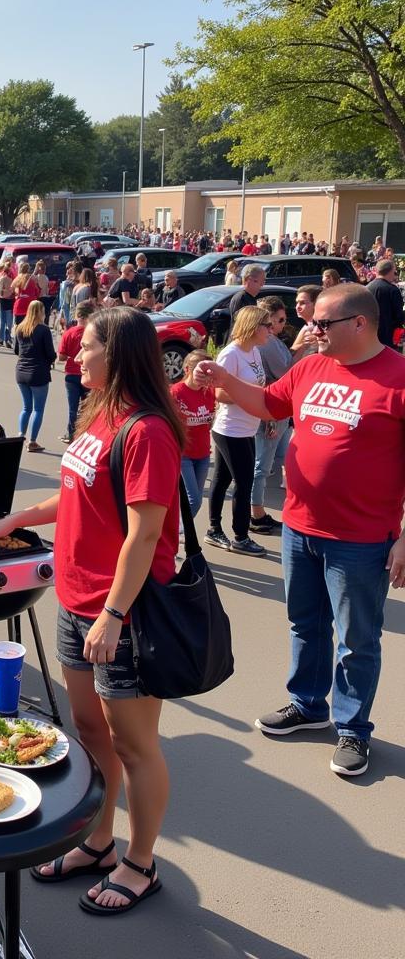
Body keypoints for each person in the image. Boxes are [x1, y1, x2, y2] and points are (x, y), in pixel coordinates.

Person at [0, 306, 182, 915]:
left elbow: (145, 536)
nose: (75, 354)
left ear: (115, 355)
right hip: (76, 603)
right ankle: (97, 841)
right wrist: (17, 517)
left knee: (135, 744)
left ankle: (141, 863)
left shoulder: (147, 431)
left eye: (86, 346)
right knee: (91, 732)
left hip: (124, 614)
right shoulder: (99, 415)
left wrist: (113, 615)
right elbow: (73, 495)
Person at [193, 284, 405, 777]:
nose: (311, 331)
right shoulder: (310, 366)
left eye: (322, 324)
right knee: (305, 624)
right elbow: (269, 405)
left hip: (361, 537)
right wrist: (224, 375)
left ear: (359, 324)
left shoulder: (397, 378)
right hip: (300, 526)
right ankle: (309, 704)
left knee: (357, 638)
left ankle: (352, 728)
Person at [204, 305, 271, 556]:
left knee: (222, 478)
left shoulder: (254, 351)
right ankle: (240, 537)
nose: (270, 331)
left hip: (248, 427)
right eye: (266, 326)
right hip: (230, 429)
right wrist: (249, 395)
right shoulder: (231, 354)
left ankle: (213, 530)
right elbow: (219, 392)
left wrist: (264, 411)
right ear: (253, 327)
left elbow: (259, 386)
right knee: (244, 482)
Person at [250, 297, 294, 534]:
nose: (281, 324)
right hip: (271, 411)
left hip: (280, 410)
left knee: (277, 459)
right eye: (279, 320)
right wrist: (300, 346)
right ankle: (255, 514)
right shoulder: (266, 344)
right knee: (262, 466)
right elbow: (286, 374)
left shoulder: (272, 341)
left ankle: (259, 511)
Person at [169, 348, 215, 519]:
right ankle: (179, 532)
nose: (205, 377)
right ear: (187, 369)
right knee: (194, 500)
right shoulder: (176, 393)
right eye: (201, 371)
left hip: (203, 455)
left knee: (191, 500)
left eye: (208, 372)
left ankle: (174, 530)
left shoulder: (210, 392)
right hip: (183, 455)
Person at [14, 300, 55, 452]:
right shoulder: (43, 330)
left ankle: (20, 435)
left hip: (21, 371)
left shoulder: (20, 328)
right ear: (40, 312)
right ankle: (32, 441)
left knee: (26, 407)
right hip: (38, 372)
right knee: (38, 409)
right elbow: (50, 354)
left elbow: (16, 351)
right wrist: (51, 359)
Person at [58, 301, 94, 441]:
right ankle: (85, 433)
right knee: (87, 407)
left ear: (78, 315)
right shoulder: (93, 333)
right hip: (88, 373)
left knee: (73, 408)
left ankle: (72, 434)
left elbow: (61, 356)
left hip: (71, 375)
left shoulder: (69, 333)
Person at [366, 257, 404, 348]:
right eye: (395, 272)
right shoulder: (392, 290)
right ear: (391, 271)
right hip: (388, 336)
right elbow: (399, 316)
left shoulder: (366, 288)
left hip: (369, 334)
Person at [290, 284, 322, 359]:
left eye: (302, 303)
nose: (297, 307)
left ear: (316, 304)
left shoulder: (317, 329)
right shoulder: (307, 327)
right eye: (297, 303)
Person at [0, 261, 15, 347]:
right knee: (9, 322)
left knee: (2, 321)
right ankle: (7, 339)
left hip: (1, 300)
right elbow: (14, 290)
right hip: (10, 301)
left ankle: (0, 339)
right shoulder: (12, 277)